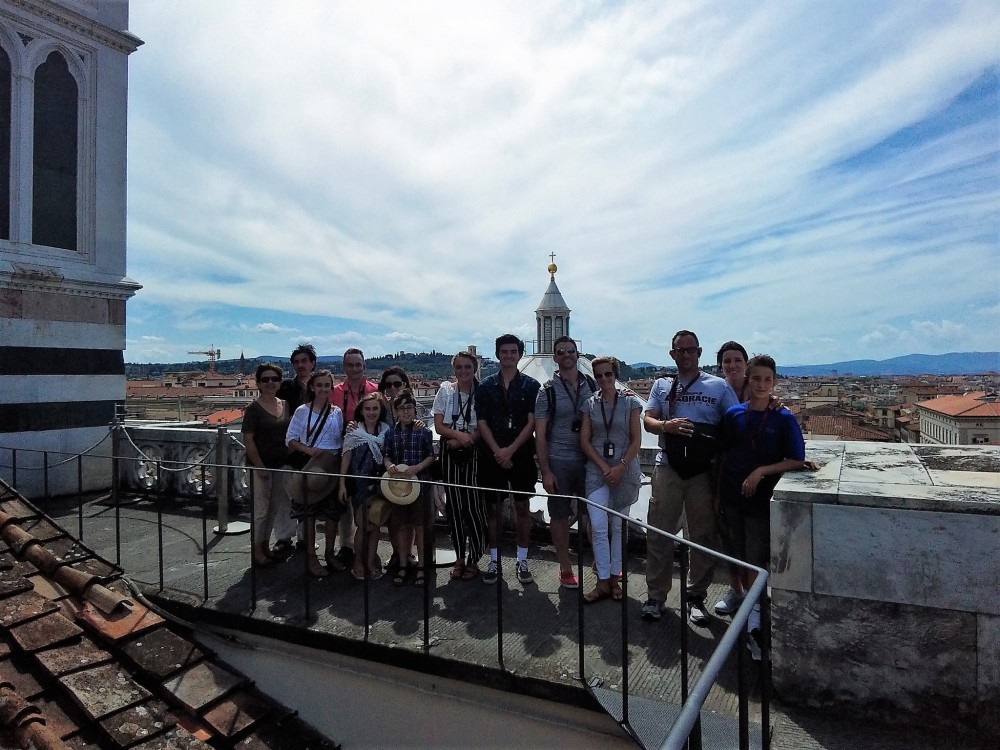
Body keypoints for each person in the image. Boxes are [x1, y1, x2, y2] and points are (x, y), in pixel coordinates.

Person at [641, 330, 739, 626]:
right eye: (680, 351)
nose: (685, 355)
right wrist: (666, 426)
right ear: (672, 354)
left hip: (702, 472)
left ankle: (696, 596)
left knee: (701, 536)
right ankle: (656, 596)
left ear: (699, 352)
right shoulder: (661, 385)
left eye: (690, 350)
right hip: (668, 466)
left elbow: (736, 421)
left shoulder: (719, 387)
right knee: (659, 533)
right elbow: (648, 420)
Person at [718, 354, 806, 659]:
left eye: (767, 380)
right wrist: (718, 493)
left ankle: (755, 627)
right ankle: (745, 610)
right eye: (756, 379)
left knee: (755, 559)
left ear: (775, 383)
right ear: (748, 380)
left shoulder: (783, 418)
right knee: (735, 552)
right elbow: (725, 454)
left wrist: (760, 471)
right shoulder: (734, 415)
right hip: (731, 495)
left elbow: (796, 458)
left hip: (760, 499)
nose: (761, 384)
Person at [475, 334, 541, 585]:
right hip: (492, 457)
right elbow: (481, 422)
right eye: (505, 351)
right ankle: (494, 561)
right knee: (493, 510)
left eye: (513, 351)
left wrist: (510, 450)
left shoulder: (532, 386)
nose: (509, 355)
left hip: (521, 455)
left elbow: (532, 422)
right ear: (498, 354)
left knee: (523, 509)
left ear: (519, 354)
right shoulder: (486, 386)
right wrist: (498, 451)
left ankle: (521, 560)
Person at [534, 335, 597, 589]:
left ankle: (600, 561)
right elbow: (540, 433)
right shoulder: (546, 390)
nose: (567, 355)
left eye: (571, 351)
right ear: (555, 358)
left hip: (589, 459)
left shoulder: (592, 384)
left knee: (594, 514)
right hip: (559, 460)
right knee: (559, 515)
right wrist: (545, 470)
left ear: (577, 354)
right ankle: (565, 566)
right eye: (561, 352)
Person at [579, 357, 643, 603]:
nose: (604, 379)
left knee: (617, 527)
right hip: (598, 470)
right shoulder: (590, 404)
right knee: (598, 527)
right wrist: (605, 467)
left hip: (625, 470)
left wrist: (621, 467)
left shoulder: (629, 401)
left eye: (608, 375)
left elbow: (636, 440)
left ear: (615, 375)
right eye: (599, 376)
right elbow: (585, 440)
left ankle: (615, 579)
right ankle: (603, 580)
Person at [285, 369, 345, 578]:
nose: (323, 389)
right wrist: (309, 450)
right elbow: (290, 439)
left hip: (331, 467)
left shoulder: (336, 411)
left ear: (331, 387)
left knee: (332, 515)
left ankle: (329, 554)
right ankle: (312, 558)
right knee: (308, 516)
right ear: (312, 387)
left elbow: (338, 440)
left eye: (327, 385)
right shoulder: (302, 411)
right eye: (319, 385)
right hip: (311, 467)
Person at [433, 351, 487, 581]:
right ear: (454, 369)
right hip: (450, 451)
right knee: (454, 506)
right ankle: (459, 557)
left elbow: (484, 425)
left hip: (473, 452)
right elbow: (438, 425)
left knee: (474, 506)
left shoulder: (483, 393)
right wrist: (458, 436)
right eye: (459, 367)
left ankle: (474, 557)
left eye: (467, 367)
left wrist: (467, 439)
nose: (463, 371)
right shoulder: (445, 390)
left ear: (475, 369)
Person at [329, 348, 379, 569]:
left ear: (364, 366)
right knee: (345, 504)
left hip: (369, 455)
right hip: (344, 450)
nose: (355, 368)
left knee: (366, 503)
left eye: (358, 364)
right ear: (344, 368)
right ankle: (347, 546)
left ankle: (366, 549)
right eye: (351, 365)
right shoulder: (335, 392)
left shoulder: (375, 390)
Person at [382, 389, 436, 586]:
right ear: (396, 411)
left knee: (420, 527)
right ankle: (404, 564)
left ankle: (422, 566)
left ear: (414, 410)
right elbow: (386, 455)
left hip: (419, 486)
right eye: (402, 408)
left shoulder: (424, 432)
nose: (406, 412)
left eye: (409, 408)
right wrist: (389, 466)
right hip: (398, 488)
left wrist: (418, 468)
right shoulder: (390, 434)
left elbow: (431, 456)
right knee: (401, 526)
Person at [242, 363, 294, 566]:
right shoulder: (253, 409)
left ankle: (265, 547)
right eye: (265, 379)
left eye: (274, 379)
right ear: (258, 383)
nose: (270, 383)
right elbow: (248, 440)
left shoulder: (284, 405)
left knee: (273, 509)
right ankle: (256, 552)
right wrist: (260, 466)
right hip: (260, 467)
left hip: (280, 464)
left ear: (280, 382)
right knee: (261, 511)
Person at [713, 341, 750, 616]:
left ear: (746, 364)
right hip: (724, 473)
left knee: (754, 537)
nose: (732, 365)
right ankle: (736, 590)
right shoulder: (717, 391)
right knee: (729, 537)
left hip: (755, 473)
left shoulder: (758, 391)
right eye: (727, 361)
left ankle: (753, 597)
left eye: (737, 360)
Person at [338, 392, 392, 580]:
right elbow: (346, 457)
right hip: (359, 484)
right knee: (362, 525)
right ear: (361, 411)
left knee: (375, 524)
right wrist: (342, 484)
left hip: (379, 484)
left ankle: (370, 562)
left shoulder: (386, 430)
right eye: (367, 409)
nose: (371, 412)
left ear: (380, 410)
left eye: (375, 408)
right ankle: (358, 562)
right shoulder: (354, 431)